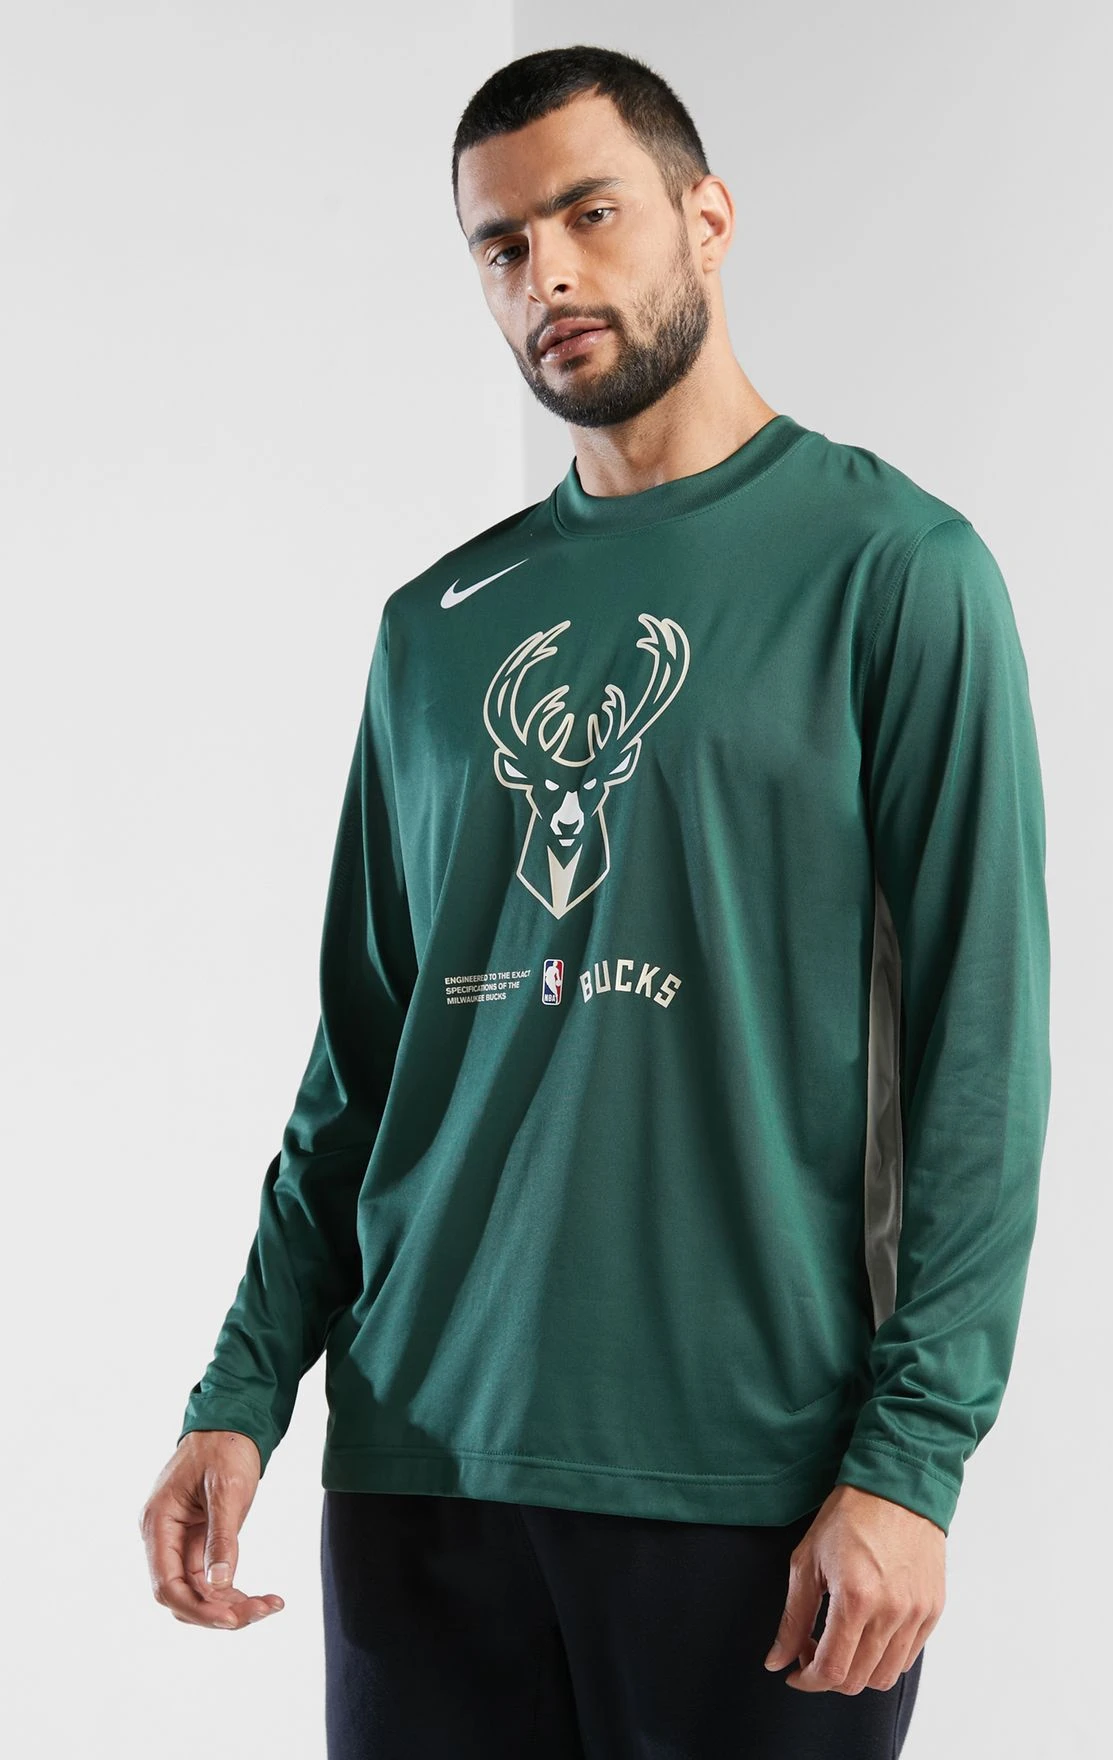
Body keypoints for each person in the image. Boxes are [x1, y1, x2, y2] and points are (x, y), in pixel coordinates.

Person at [139, 42, 1052, 1760]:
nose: (544, 271)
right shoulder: (434, 630)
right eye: (500, 243)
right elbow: (362, 1062)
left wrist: (914, 1464)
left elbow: (980, 1055)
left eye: (589, 214)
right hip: (422, 1474)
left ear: (707, 219)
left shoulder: (897, 574)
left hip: (752, 1486)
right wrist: (243, 1390)